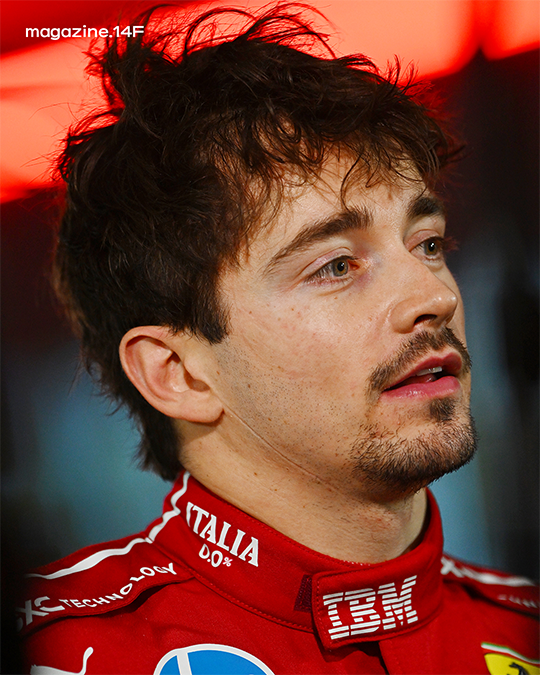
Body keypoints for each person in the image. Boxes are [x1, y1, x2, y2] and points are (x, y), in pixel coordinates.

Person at [17, 5, 538, 674]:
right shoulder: (59, 655)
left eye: (428, 244)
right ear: (177, 372)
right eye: (337, 266)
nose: (434, 298)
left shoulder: (523, 628)